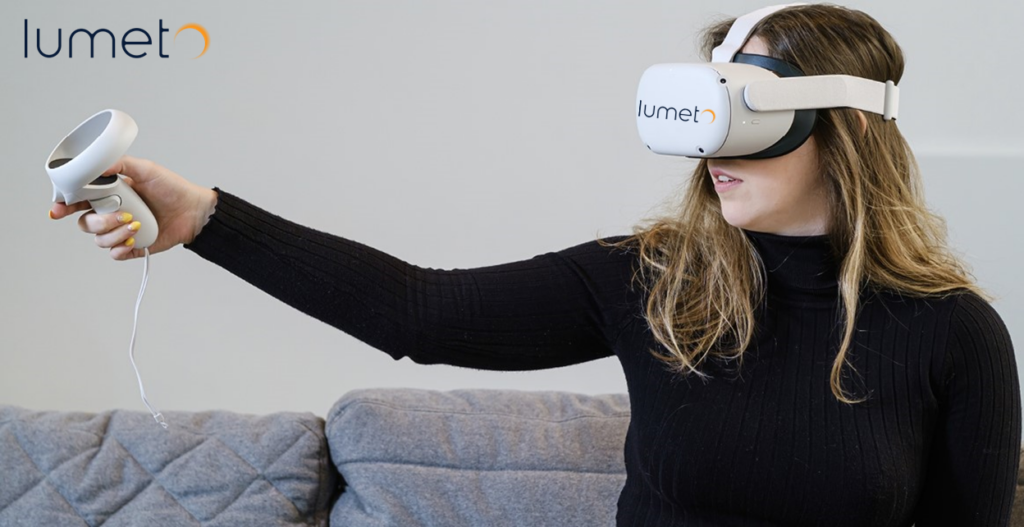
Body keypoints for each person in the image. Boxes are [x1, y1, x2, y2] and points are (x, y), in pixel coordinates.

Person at [48, 4, 1020, 526]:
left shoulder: (951, 332)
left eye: (748, 114)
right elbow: (421, 313)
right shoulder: (655, 279)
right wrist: (207, 217)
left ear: (847, 126)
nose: (712, 151)